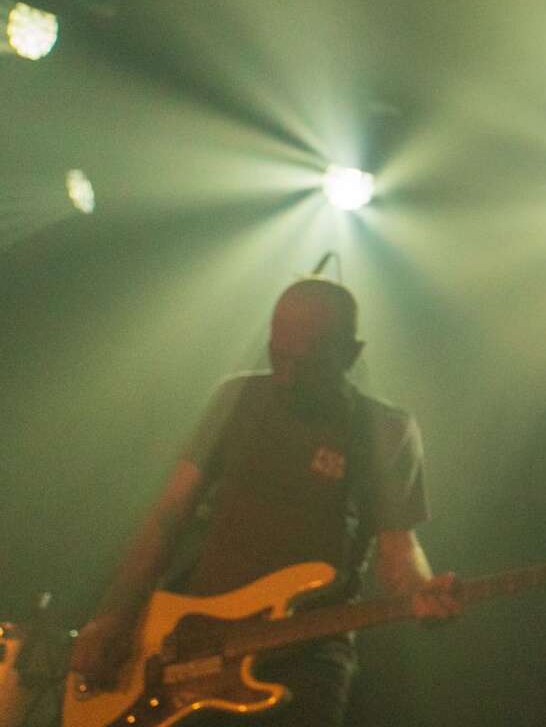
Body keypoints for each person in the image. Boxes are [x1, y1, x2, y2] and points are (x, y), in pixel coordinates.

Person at [69, 278, 459, 727]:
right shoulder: (237, 398)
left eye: (307, 360)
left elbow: (399, 550)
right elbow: (167, 517)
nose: (287, 374)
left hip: (308, 651)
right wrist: (114, 616)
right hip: (197, 641)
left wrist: (422, 594)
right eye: (279, 353)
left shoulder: (386, 430)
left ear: (350, 354)